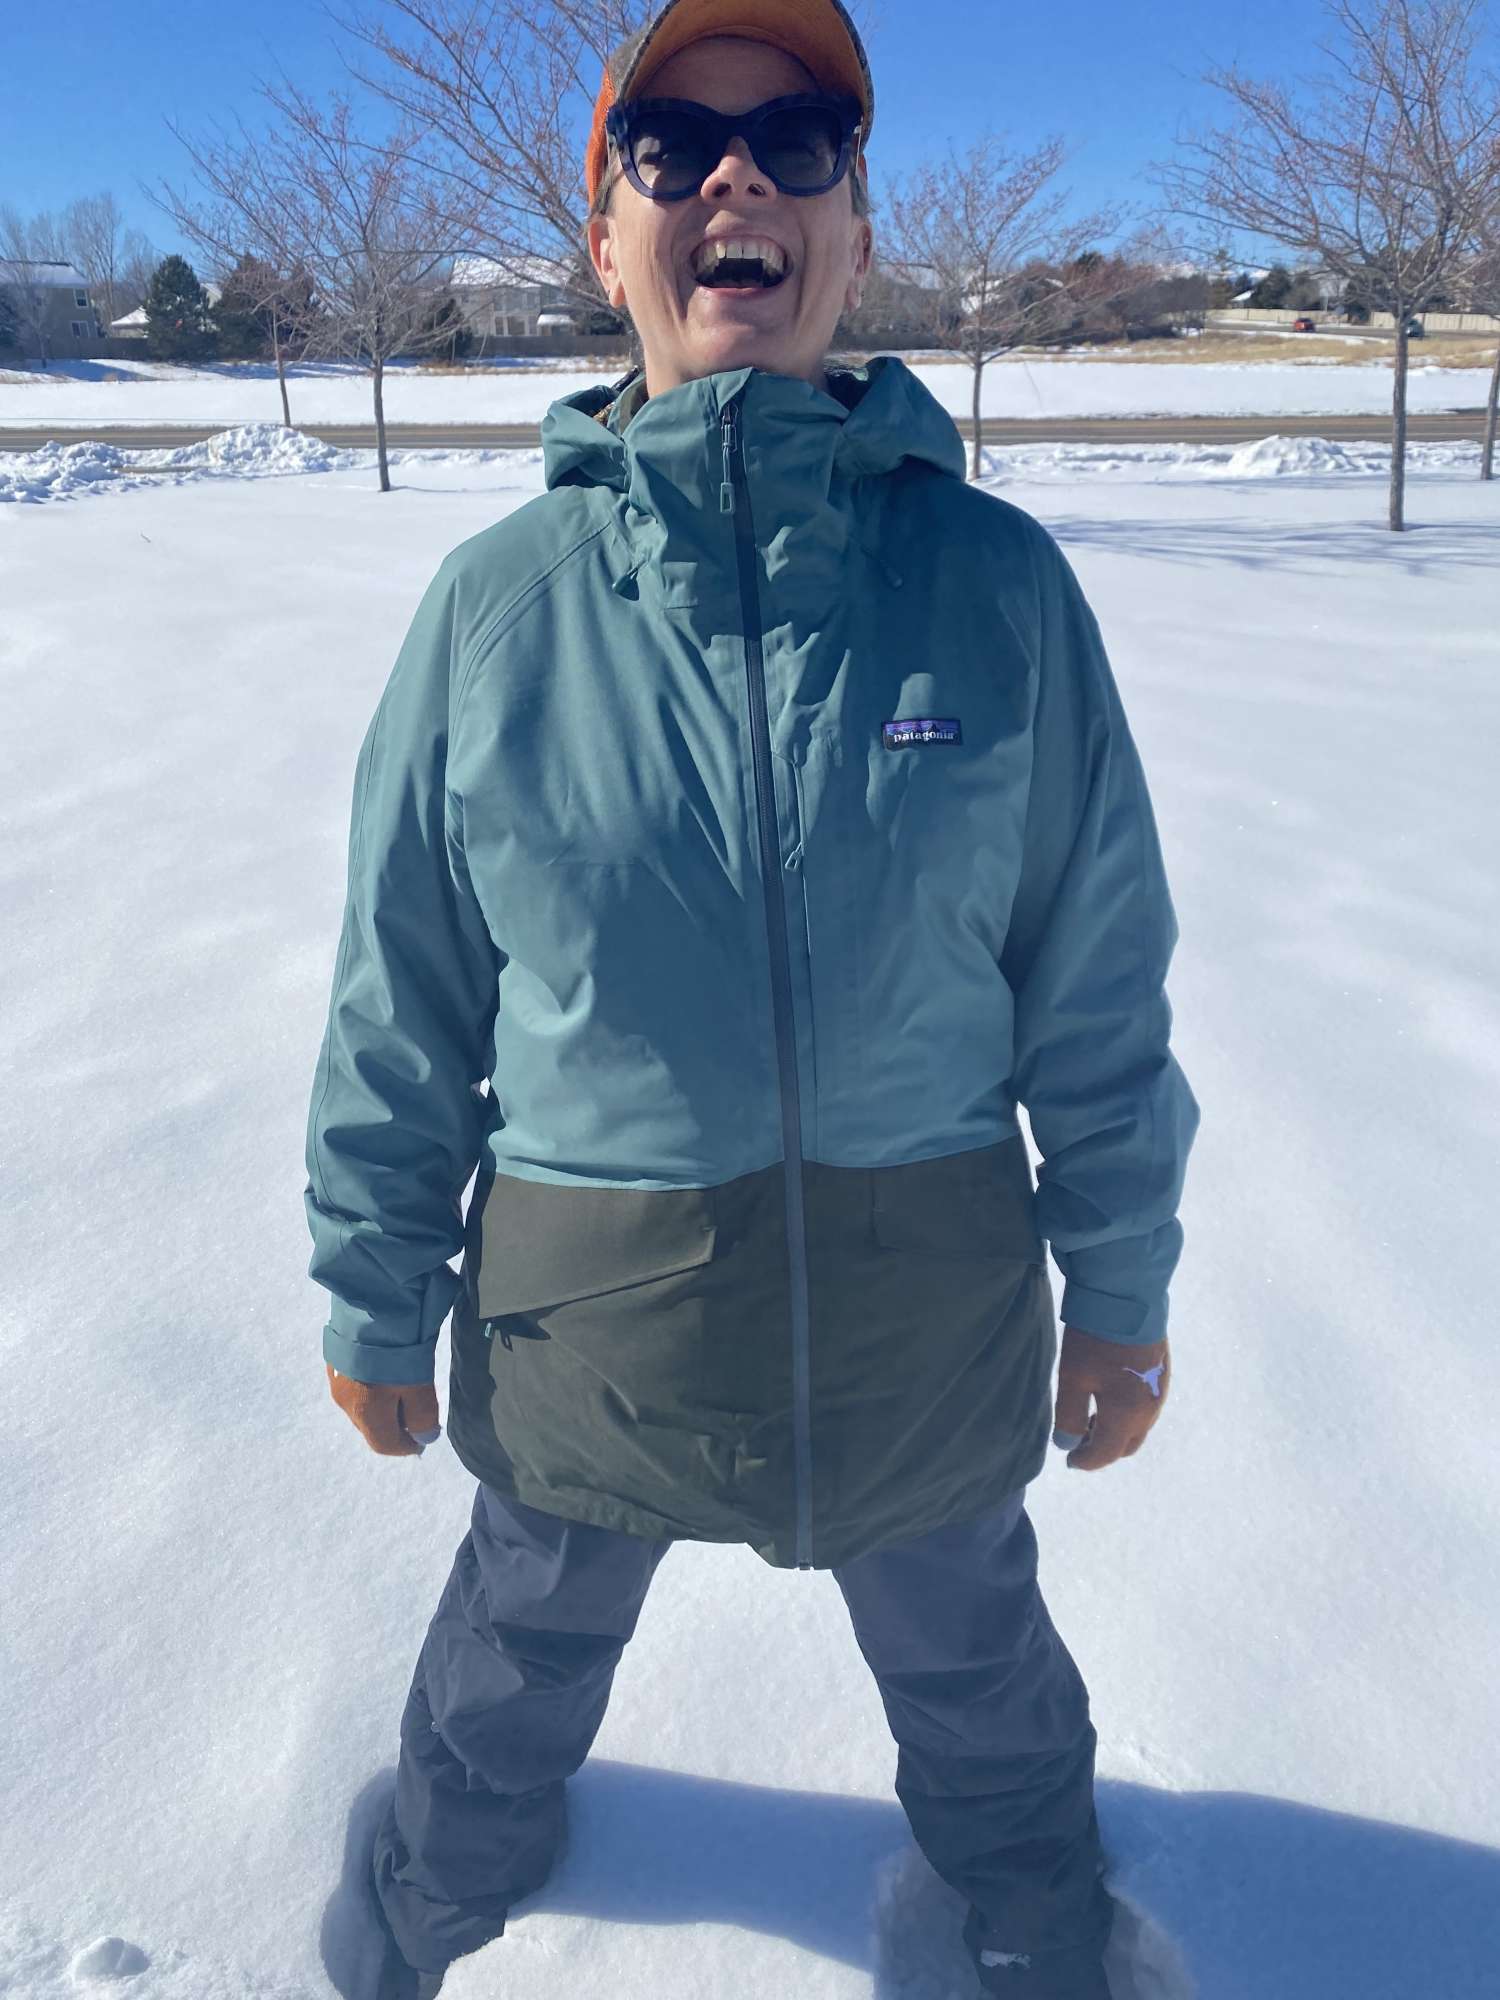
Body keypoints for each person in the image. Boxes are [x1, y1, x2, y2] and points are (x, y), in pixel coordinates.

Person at [303, 2, 1200, 1995]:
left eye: (800, 140)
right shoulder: (495, 614)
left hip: (930, 1320)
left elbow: (1098, 978)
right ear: (605, 234)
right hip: (586, 1322)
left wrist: (1120, 1282)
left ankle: (1041, 1931)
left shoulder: (1000, 589)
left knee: (978, 1670)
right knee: (514, 1652)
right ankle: (428, 1911)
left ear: (854, 237)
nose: (738, 178)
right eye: (674, 146)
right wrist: (371, 1287)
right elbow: (404, 989)